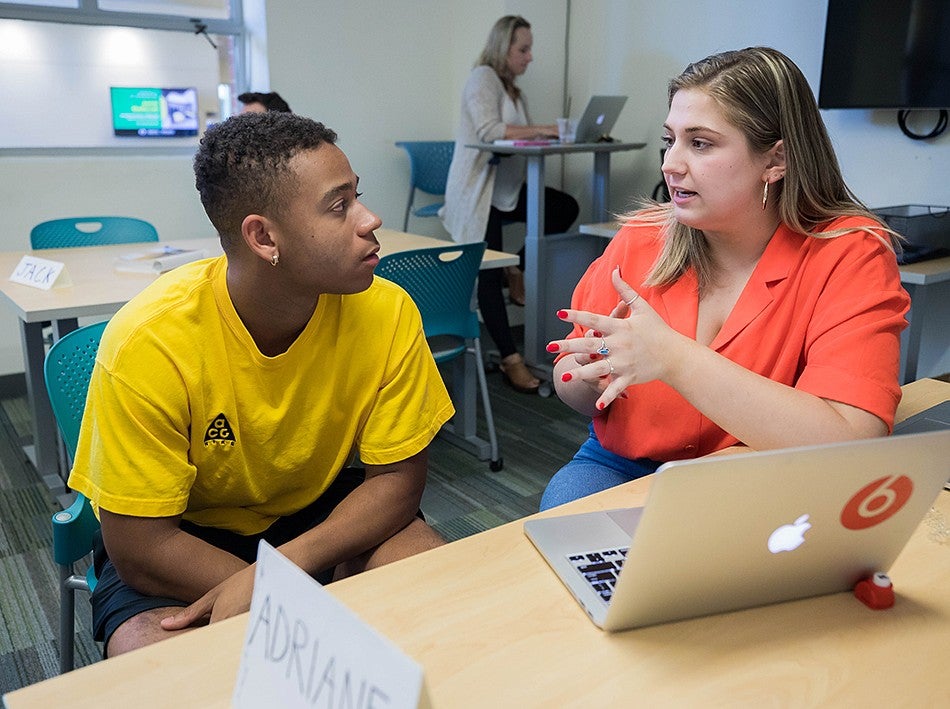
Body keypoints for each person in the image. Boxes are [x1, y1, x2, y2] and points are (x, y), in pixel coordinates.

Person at [67, 112, 454, 656]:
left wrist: (281, 572)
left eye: (357, 196)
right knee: (159, 671)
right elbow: (139, 545)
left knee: (442, 599)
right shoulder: (149, 341)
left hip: (321, 513)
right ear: (264, 237)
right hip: (186, 534)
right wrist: (280, 589)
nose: (370, 219)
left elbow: (397, 480)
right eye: (339, 205)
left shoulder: (387, 310)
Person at [541, 46, 910, 510]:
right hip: (624, 464)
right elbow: (570, 377)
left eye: (700, 143)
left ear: (776, 160)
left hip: (761, 473)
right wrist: (584, 380)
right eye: (670, 140)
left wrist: (673, 358)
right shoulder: (641, 237)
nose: (670, 164)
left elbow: (850, 442)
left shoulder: (848, 252)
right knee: (565, 522)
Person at [441, 15, 579, 394]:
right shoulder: (482, 78)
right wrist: (549, 129)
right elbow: (489, 131)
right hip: (478, 192)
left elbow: (520, 134)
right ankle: (510, 357)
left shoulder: (514, 91)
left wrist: (549, 134)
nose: (530, 57)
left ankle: (514, 266)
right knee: (487, 268)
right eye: (523, 48)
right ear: (503, 48)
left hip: (509, 190)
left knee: (564, 208)